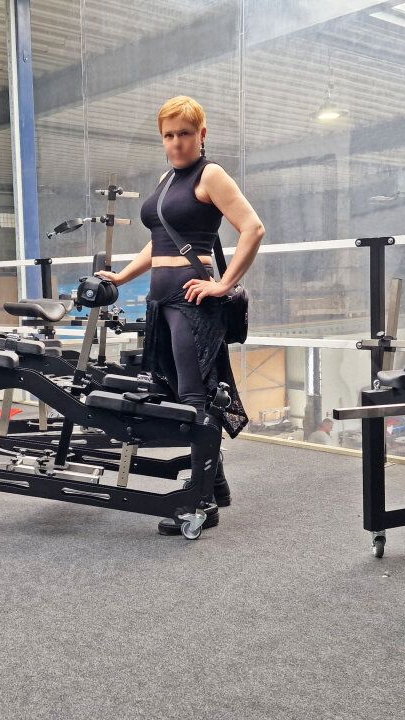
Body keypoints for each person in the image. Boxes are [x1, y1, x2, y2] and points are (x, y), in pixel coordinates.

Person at [94, 96, 265, 535]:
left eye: (184, 134)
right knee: (176, 393)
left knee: (193, 398)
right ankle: (216, 483)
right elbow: (160, 240)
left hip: (192, 301)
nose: (176, 142)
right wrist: (124, 276)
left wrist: (223, 285)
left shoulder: (211, 175)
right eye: (168, 135)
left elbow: (253, 228)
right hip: (160, 300)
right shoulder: (168, 178)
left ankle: (201, 502)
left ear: (201, 134)